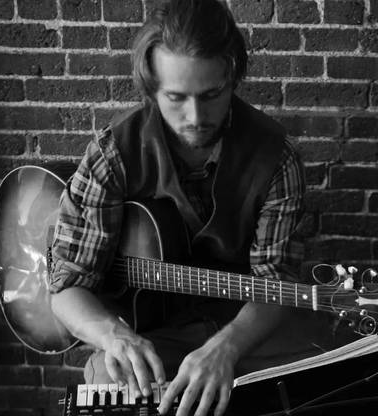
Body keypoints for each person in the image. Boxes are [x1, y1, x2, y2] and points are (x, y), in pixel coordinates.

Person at [48, 1, 323, 415]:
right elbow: (67, 284)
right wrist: (113, 335)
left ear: (232, 75)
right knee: (109, 384)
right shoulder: (113, 155)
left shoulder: (276, 160)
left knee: (330, 373)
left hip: (244, 324)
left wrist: (226, 347)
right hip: (152, 334)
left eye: (212, 95)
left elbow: (276, 282)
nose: (196, 116)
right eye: (176, 98)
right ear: (151, 88)